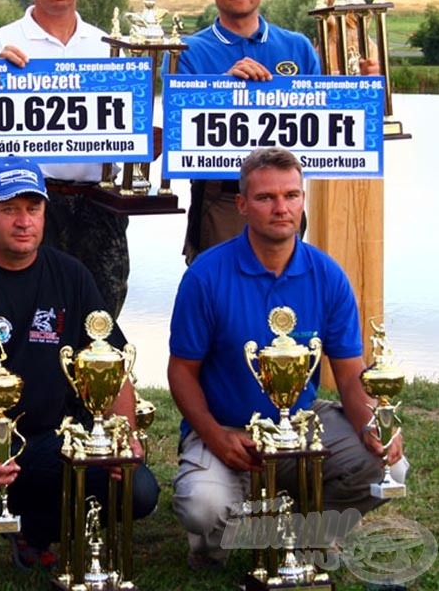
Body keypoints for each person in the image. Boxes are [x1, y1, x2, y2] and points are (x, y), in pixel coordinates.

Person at [0, 155, 159, 587]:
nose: (24, 221)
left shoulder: (73, 277)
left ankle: (35, 531)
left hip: (47, 435)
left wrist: (126, 435)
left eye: (33, 208)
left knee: (137, 491)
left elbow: (112, 369)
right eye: (9, 209)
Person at [167, 147, 407, 569]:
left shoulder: (328, 274)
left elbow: (350, 375)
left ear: (302, 199)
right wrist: (215, 436)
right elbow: (181, 372)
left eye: (291, 195)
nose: (281, 208)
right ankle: (226, 539)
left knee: (390, 467)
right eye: (266, 198)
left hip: (300, 424)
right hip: (226, 428)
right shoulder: (205, 275)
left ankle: (296, 534)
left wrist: (375, 422)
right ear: (242, 205)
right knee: (202, 507)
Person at [172, 0, 379, 264]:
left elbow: (330, 126)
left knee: (286, 300)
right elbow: (177, 129)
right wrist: (224, 88)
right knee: (223, 302)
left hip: (286, 201)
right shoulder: (188, 52)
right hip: (223, 200)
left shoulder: (297, 47)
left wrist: (366, 96)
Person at [0, 0, 130, 319]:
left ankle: (98, 383)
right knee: (28, 314)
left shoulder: (109, 46)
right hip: (28, 203)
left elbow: (132, 128)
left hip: (99, 203)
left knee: (100, 317)